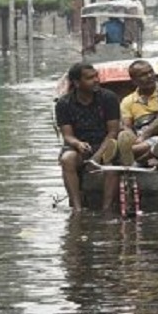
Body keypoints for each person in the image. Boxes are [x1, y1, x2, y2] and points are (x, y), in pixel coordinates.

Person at [55, 62, 123, 212]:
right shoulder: (64, 103)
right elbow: (67, 135)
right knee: (67, 159)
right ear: (77, 83)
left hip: (105, 144)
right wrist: (78, 144)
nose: (96, 80)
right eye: (90, 78)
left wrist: (97, 157)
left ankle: (107, 209)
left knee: (111, 167)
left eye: (96, 76)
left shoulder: (108, 98)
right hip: (80, 146)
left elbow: (113, 132)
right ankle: (77, 209)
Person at [117, 60, 158, 166]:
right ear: (134, 80)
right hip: (141, 138)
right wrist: (132, 139)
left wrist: (142, 138)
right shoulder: (128, 101)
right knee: (124, 136)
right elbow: (126, 126)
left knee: (133, 150)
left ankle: (127, 155)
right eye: (143, 75)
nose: (150, 76)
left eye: (151, 72)